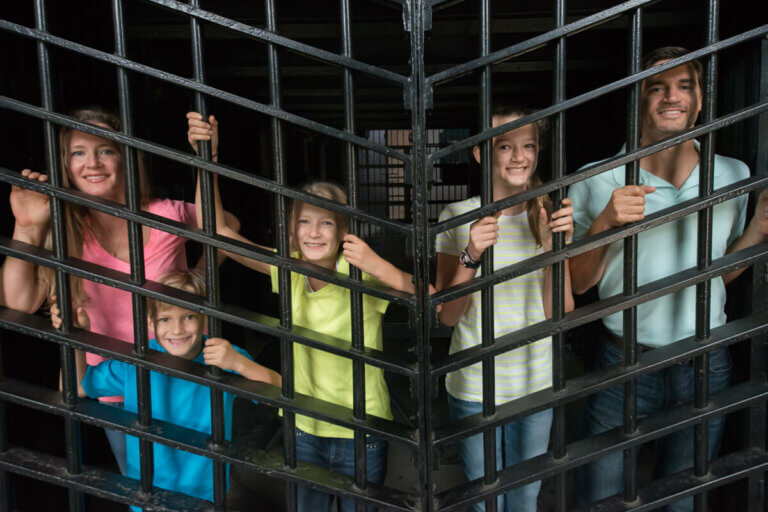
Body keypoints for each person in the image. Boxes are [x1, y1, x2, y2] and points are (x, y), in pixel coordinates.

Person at [187, 111, 432, 512]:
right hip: (303, 426)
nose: (315, 232)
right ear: (291, 230)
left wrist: (377, 266)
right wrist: (205, 158)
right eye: (304, 221)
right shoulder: (289, 270)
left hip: (362, 429)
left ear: (343, 230)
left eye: (326, 223)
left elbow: (427, 296)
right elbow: (215, 234)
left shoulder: (361, 276)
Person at [569, 46, 768, 511]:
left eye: (684, 86)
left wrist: (756, 234)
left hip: (706, 360)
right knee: (599, 496)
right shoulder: (597, 180)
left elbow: (723, 274)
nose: (670, 97)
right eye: (656, 87)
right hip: (624, 360)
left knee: (681, 500)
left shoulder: (733, 176)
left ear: (701, 102)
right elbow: (577, 286)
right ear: (638, 100)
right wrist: (604, 225)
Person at [0, 106, 239, 474]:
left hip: (184, 373)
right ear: (66, 164)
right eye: (79, 152)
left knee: (202, 485)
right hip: (114, 386)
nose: (92, 163)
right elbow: (19, 302)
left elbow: (224, 229)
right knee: (144, 483)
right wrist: (26, 228)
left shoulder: (165, 213)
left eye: (105, 150)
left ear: (125, 156)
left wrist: (197, 279)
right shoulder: (65, 228)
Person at [435, 105, 575, 512]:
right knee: (483, 500)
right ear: (481, 154)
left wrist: (553, 250)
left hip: (534, 381)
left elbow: (562, 312)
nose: (519, 156)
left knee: (525, 497)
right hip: (475, 384)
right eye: (505, 146)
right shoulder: (457, 217)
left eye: (528, 145)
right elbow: (447, 315)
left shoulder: (551, 214)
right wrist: (472, 254)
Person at [52, 269, 281, 509]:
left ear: (204, 317)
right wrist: (76, 337)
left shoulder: (221, 357)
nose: (178, 329)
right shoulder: (136, 362)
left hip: (205, 499)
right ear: (150, 322)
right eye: (165, 319)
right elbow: (74, 388)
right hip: (148, 498)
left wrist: (239, 363)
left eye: (188, 316)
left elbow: (277, 391)